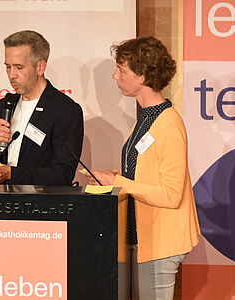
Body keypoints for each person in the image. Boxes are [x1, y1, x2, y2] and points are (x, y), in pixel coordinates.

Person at [86, 36, 200, 300]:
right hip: (140, 236)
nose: (115, 76)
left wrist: (121, 184)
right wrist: (113, 177)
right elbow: (142, 172)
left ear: (142, 76)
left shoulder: (168, 124)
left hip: (160, 240)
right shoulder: (146, 117)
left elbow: (171, 194)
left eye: (121, 70)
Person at [0, 30, 84, 186]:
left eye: (19, 67)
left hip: (44, 206)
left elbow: (62, 174)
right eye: (8, 67)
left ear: (40, 67)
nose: (11, 75)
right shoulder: (6, 104)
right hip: (2, 202)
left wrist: (10, 174)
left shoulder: (65, 111)